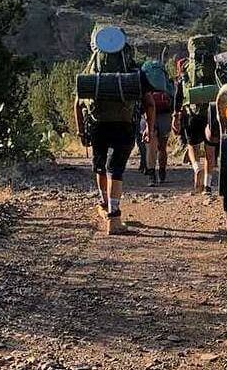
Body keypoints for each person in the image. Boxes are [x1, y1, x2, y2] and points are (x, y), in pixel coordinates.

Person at [73, 28, 156, 235]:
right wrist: (149, 128)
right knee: (115, 170)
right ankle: (114, 217)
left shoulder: (93, 70)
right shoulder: (134, 69)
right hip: (125, 125)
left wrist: (81, 131)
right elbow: (150, 103)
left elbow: (77, 103)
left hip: (97, 125)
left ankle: (104, 203)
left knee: (101, 168)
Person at [172, 58, 218, 195]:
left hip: (191, 114)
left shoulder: (185, 75)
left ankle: (196, 166)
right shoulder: (212, 70)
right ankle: (207, 186)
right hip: (211, 113)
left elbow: (178, 97)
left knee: (192, 146)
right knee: (210, 151)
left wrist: (175, 116)